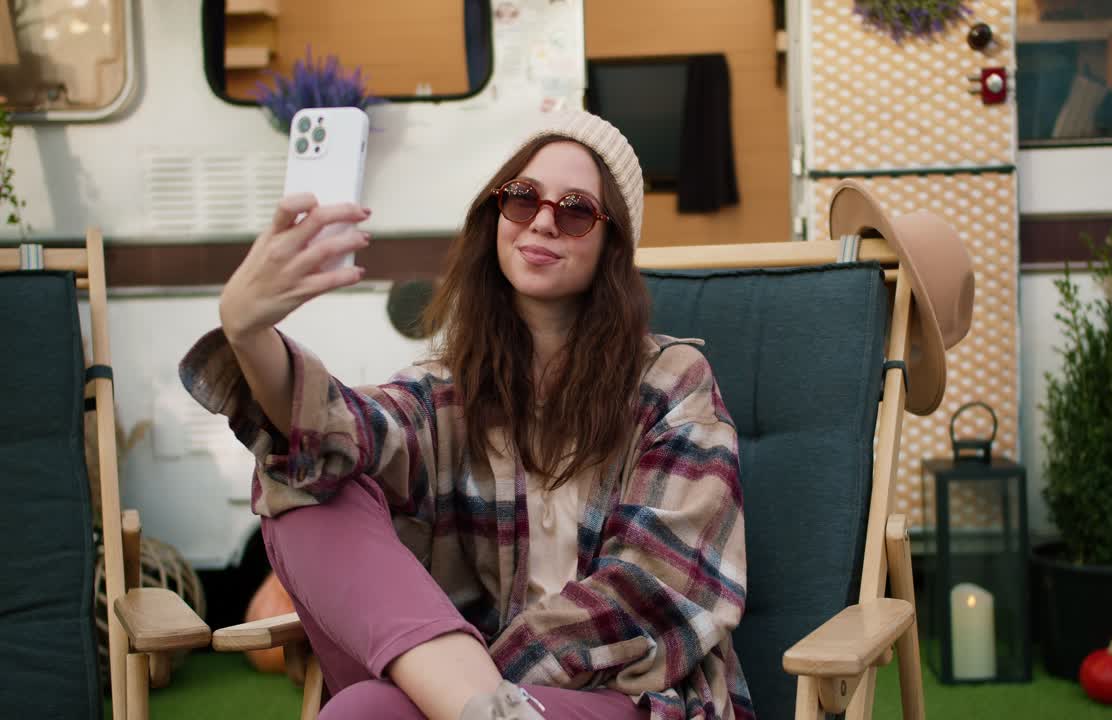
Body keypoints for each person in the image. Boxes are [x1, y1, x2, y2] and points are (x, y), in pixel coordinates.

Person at [180, 111, 754, 720]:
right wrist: (248, 331)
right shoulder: (449, 387)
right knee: (306, 480)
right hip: (466, 691)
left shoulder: (672, 381)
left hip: (624, 699)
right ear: (495, 215)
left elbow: (654, 593)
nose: (541, 220)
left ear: (612, 244)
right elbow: (337, 431)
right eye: (522, 198)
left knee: (374, 708)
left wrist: (459, 681)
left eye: (576, 210)